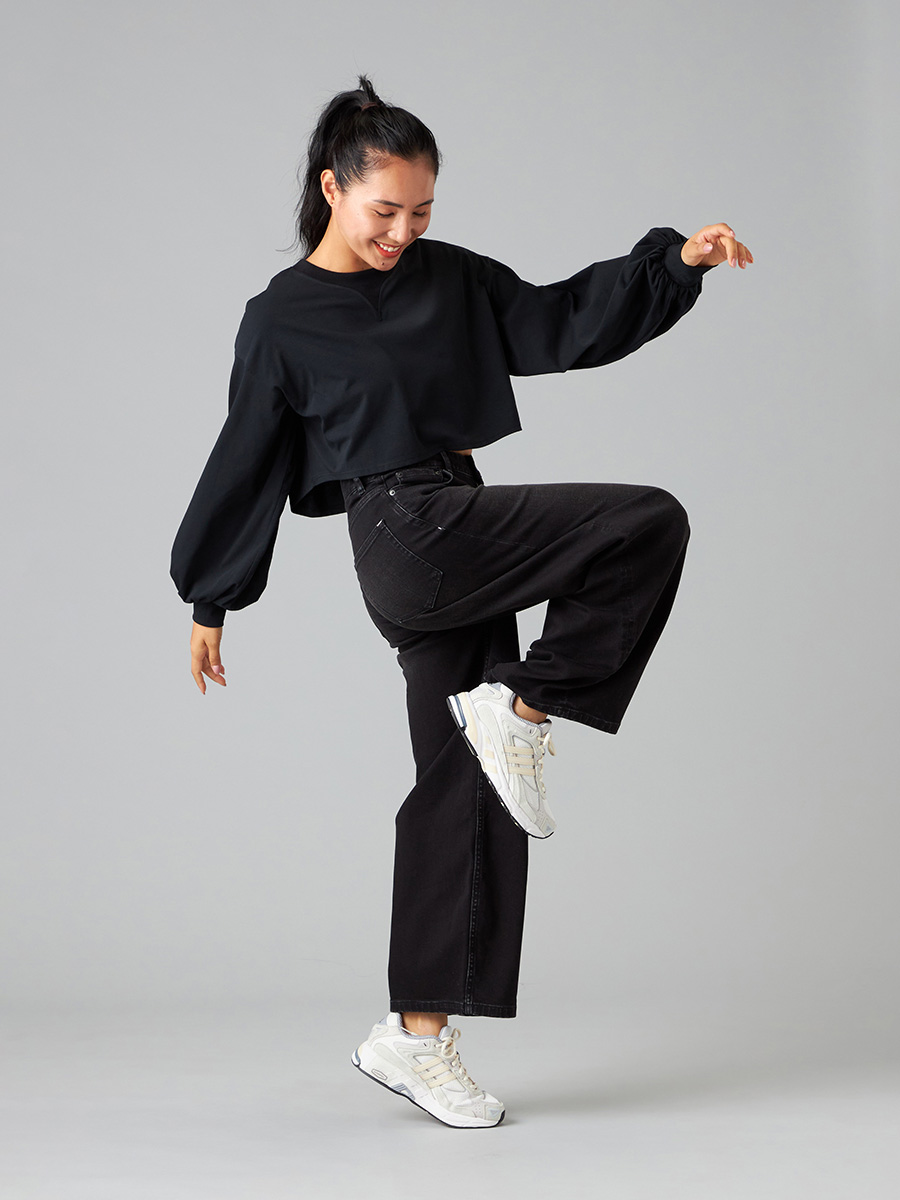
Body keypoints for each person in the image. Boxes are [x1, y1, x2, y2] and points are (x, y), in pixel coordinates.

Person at [169, 73, 752, 1129]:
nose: (403, 231)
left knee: (464, 785)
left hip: (460, 522)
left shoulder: (449, 280)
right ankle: (524, 707)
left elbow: (561, 321)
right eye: (384, 209)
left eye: (422, 211)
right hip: (404, 534)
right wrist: (212, 597)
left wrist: (672, 266)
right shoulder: (281, 318)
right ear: (332, 188)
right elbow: (246, 454)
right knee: (646, 521)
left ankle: (416, 1033)